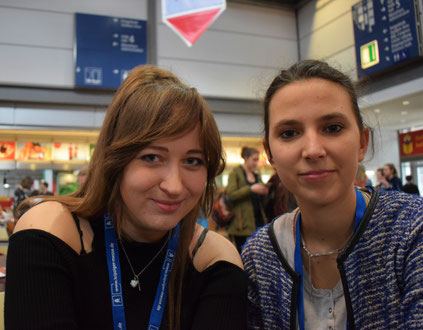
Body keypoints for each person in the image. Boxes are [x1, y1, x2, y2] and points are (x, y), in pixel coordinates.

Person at [5, 65, 247, 330]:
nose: (175, 186)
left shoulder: (214, 260)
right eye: (151, 158)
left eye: (192, 160)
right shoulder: (50, 234)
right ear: (115, 161)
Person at [242, 60, 423, 329]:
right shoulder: (260, 256)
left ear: (363, 142)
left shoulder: (411, 230)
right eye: (289, 133)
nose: (313, 150)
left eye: (333, 128)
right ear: (270, 154)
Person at [226, 147, 268, 252]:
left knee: (259, 254)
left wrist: (264, 190)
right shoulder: (235, 173)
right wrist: (250, 189)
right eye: (254, 159)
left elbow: (261, 191)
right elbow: (231, 194)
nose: (256, 163)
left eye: (257, 160)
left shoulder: (256, 174)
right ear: (246, 158)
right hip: (242, 223)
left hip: (258, 220)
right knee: (244, 255)